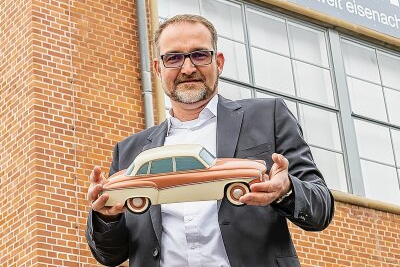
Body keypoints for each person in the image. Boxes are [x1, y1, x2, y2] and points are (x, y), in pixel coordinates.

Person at [85, 14, 334, 267]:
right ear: (159, 69)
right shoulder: (130, 151)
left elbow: (321, 208)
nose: (188, 68)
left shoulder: (268, 117)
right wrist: (106, 216)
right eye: (173, 58)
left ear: (219, 62)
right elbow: (109, 254)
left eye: (200, 55)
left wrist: (286, 189)